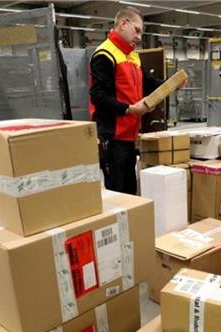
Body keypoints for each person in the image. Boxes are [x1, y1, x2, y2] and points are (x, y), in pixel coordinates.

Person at [88, 6, 166, 194]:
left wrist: (173, 84)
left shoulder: (132, 56)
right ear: (123, 24)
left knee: (130, 190)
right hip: (112, 138)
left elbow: (148, 82)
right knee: (118, 192)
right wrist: (130, 109)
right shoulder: (104, 54)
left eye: (141, 33)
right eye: (137, 30)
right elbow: (98, 96)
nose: (139, 37)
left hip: (130, 137)